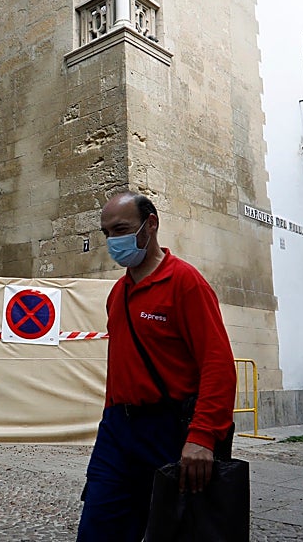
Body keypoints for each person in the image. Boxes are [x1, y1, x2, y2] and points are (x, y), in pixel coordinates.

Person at [76, 191, 237, 542]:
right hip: (117, 431)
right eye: (107, 233)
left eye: (121, 229)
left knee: (173, 532)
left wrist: (203, 436)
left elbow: (218, 364)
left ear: (151, 224)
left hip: (169, 429)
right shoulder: (117, 294)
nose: (113, 241)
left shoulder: (186, 283)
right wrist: (109, 420)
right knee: (97, 528)